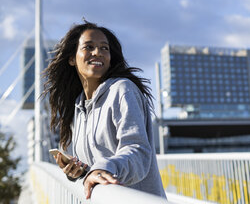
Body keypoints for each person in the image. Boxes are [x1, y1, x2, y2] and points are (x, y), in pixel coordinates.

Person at [43, 21, 166, 199]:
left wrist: (104, 169)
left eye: (104, 48)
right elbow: (92, 166)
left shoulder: (123, 90)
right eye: (89, 47)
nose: (98, 52)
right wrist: (78, 172)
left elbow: (138, 151)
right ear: (71, 58)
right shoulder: (78, 108)